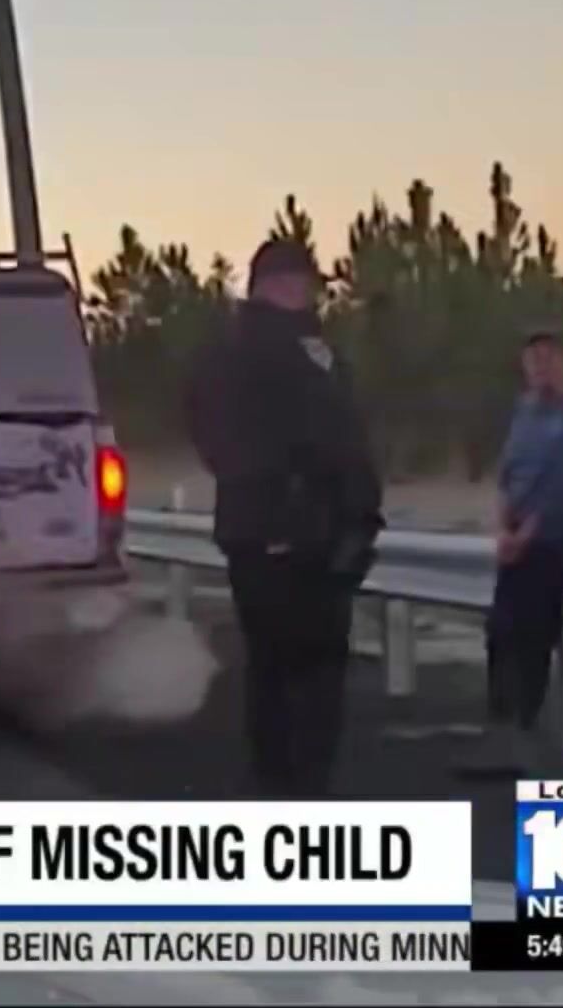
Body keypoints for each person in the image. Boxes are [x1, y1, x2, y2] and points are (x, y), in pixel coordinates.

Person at [185, 239, 385, 798]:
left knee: (318, 666)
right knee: (280, 664)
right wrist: (280, 495)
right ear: (269, 285)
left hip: (328, 533)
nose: (306, 291)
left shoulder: (321, 351)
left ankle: (304, 784)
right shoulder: (236, 353)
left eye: (308, 281)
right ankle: (281, 785)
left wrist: (360, 515)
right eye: (296, 280)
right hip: (270, 532)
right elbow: (219, 436)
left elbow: (349, 440)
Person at [461, 327, 563, 776]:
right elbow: (507, 476)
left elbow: (562, 486)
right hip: (514, 540)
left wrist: (525, 535)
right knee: (500, 634)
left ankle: (523, 742)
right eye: (533, 359)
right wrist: (503, 528)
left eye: (549, 358)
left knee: (533, 640)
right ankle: (500, 736)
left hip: (550, 542)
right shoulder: (524, 413)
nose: (541, 367)